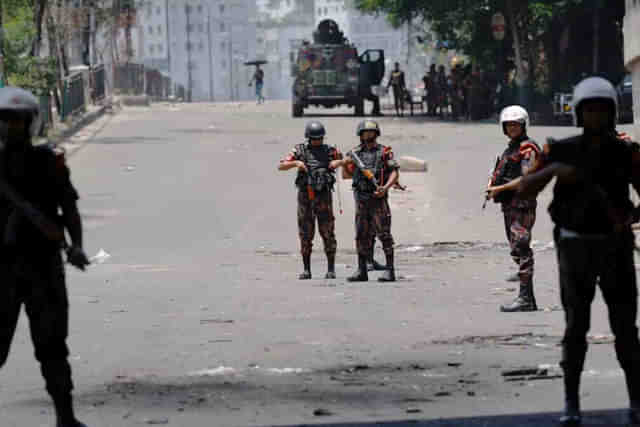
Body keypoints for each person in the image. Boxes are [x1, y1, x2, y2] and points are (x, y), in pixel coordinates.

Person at [518, 76, 640, 426]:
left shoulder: (626, 152)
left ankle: (636, 401)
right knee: (576, 328)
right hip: (574, 247)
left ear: (613, 113)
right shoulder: (561, 150)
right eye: (591, 111)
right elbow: (526, 189)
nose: (597, 117)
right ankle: (571, 403)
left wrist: (628, 218)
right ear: (580, 113)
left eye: (603, 111)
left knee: (626, 330)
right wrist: (556, 171)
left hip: (614, 246)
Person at [0, 87, 90, 427]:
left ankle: (65, 417)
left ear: (30, 123)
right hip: (4, 269)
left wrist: (77, 244)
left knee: (52, 345)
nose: (12, 128)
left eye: (17, 122)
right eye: (6, 121)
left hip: (43, 266)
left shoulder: (48, 161)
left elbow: (69, 207)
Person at [486, 105, 541, 312]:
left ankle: (525, 298)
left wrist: (499, 187)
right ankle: (528, 296)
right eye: (508, 125)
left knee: (522, 247)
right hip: (510, 205)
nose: (512, 128)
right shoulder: (511, 149)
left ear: (524, 125)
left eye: (515, 125)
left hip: (522, 205)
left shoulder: (527, 148)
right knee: (516, 248)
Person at [333, 120, 399, 282]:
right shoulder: (355, 153)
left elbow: (394, 172)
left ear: (376, 134)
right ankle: (362, 270)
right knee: (361, 235)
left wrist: (385, 187)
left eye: (371, 132)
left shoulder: (384, 152)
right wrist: (340, 162)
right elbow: (346, 171)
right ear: (360, 135)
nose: (368, 135)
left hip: (378, 198)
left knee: (384, 234)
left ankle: (390, 270)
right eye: (365, 133)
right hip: (361, 199)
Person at [278, 121, 342, 279]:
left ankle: (331, 269)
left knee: (328, 232)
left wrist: (337, 162)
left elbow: (346, 161)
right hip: (306, 197)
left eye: (320, 138)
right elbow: (281, 165)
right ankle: (307, 269)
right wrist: (296, 163)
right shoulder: (299, 150)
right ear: (308, 138)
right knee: (305, 234)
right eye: (314, 139)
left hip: (324, 197)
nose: (317, 141)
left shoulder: (330, 150)